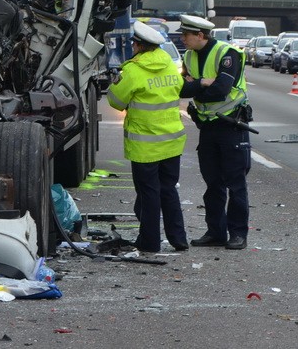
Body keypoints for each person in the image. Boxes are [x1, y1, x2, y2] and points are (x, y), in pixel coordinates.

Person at [106, 21, 189, 253]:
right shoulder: (170, 66)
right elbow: (179, 88)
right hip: (172, 142)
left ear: (140, 46)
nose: (132, 46)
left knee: (149, 194)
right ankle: (179, 239)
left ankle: (150, 242)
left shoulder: (132, 71)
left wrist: (115, 84)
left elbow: (116, 101)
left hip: (145, 145)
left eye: (134, 43)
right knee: (169, 189)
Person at [178, 14, 251, 250]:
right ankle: (216, 232)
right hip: (207, 126)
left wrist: (196, 87)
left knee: (235, 184)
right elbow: (181, 89)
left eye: (186, 35)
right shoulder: (188, 55)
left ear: (200, 35)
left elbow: (221, 90)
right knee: (213, 184)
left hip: (231, 126)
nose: (182, 39)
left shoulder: (227, 54)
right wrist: (201, 83)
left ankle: (238, 233)